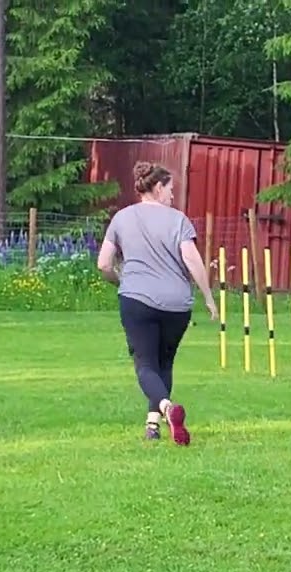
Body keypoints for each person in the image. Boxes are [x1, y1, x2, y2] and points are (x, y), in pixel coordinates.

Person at [95, 161, 217, 444]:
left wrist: (120, 281)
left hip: (137, 299)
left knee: (146, 365)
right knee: (165, 362)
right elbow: (192, 260)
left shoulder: (122, 218)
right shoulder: (178, 220)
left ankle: (166, 408)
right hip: (177, 305)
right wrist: (208, 297)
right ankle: (153, 426)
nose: (173, 195)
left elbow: (103, 264)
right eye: (171, 189)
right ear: (159, 187)